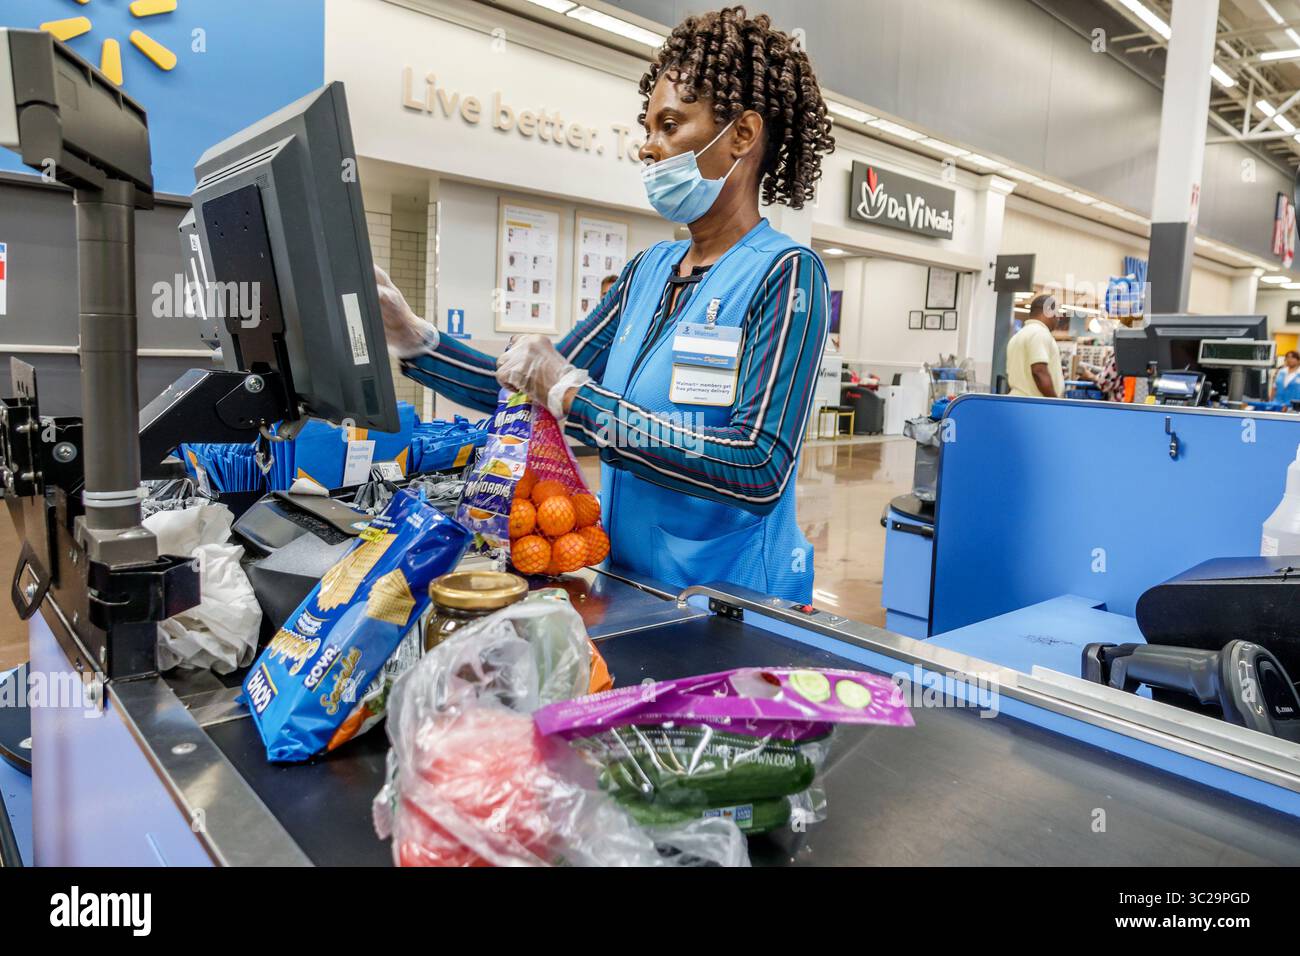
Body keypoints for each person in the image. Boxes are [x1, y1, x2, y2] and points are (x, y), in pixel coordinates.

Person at [376, 6, 834, 602]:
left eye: (670, 125)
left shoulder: (786, 275)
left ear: (741, 136)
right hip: (627, 585)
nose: (648, 147)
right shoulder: (647, 274)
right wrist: (413, 337)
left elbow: (758, 465)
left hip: (730, 604)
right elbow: (531, 386)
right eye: (648, 129)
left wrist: (577, 396)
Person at [1006, 294, 1064, 398]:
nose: (1059, 317)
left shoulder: (1018, 336)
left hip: (1018, 402)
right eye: (1057, 313)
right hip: (1036, 405)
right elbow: (1039, 371)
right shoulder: (1040, 333)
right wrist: (1055, 403)